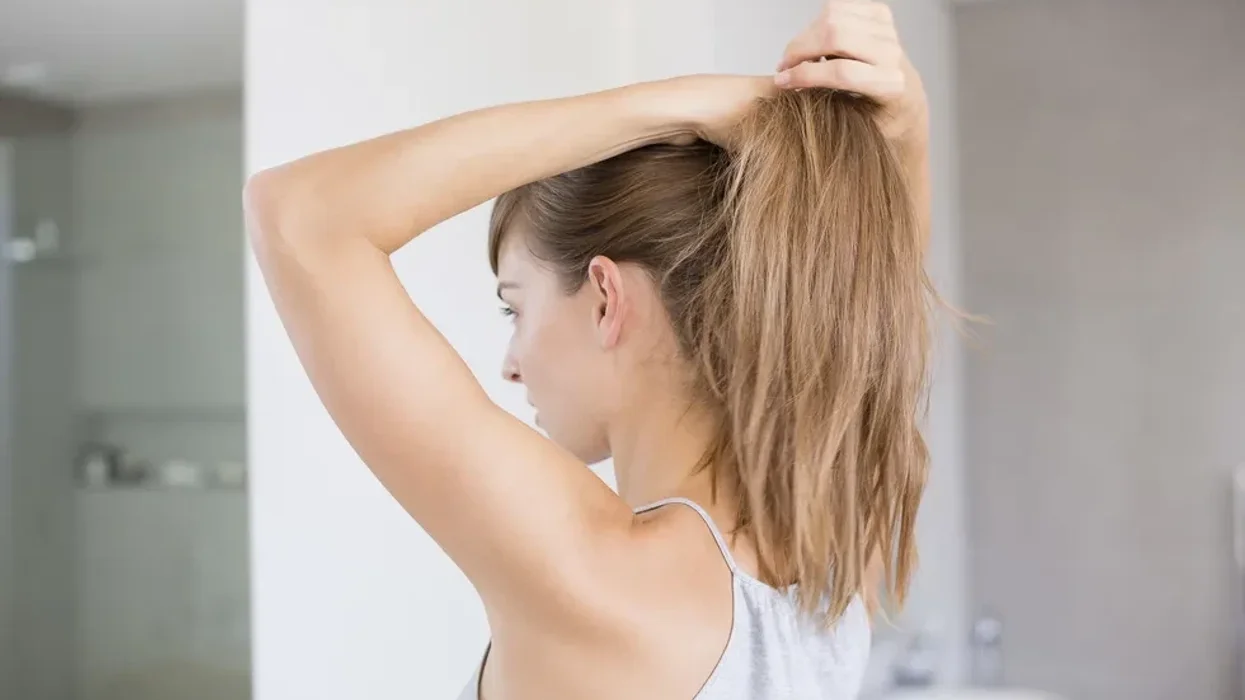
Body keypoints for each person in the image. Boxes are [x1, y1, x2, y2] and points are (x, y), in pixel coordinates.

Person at [244, 1, 933, 697]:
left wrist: (687, 103)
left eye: (515, 306)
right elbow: (866, 310)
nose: (509, 362)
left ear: (605, 298)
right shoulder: (836, 560)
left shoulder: (604, 583)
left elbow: (302, 215)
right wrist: (906, 129)